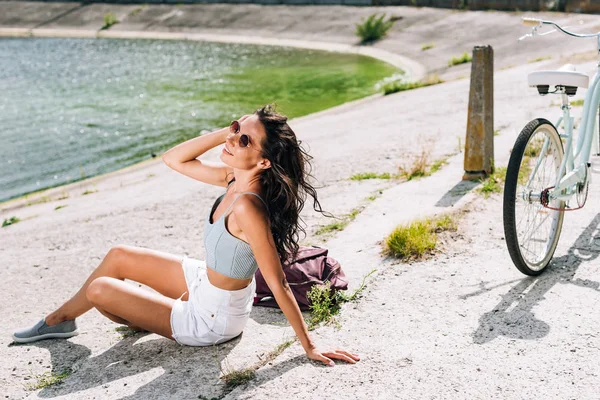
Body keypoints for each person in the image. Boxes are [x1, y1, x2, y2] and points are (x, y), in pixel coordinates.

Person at [12, 105, 360, 367]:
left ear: (264, 162)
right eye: (236, 129)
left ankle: (71, 319)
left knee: (99, 290)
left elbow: (279, 282)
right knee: (119, 256)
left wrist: (309, 346)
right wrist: (226, 132)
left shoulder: (248, 209)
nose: (232, 140)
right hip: (203, 284)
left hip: (212, 319)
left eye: (244, 140)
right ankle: (64, 319)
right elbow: (174, 159)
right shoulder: (232, 179)